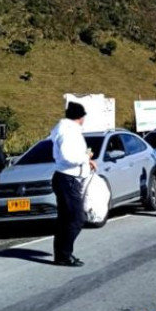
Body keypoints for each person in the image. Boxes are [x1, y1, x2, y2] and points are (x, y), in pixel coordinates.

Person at [50, 102, 97, 266]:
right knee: (76, 218)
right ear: (80, 117)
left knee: (65, 219)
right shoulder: (70, 132)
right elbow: (68, 156)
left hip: (64, 177)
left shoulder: (64, 129)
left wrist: (86, 161)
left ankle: (61, 254)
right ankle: (64, 255)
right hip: (68, 179)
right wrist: (85, 157)